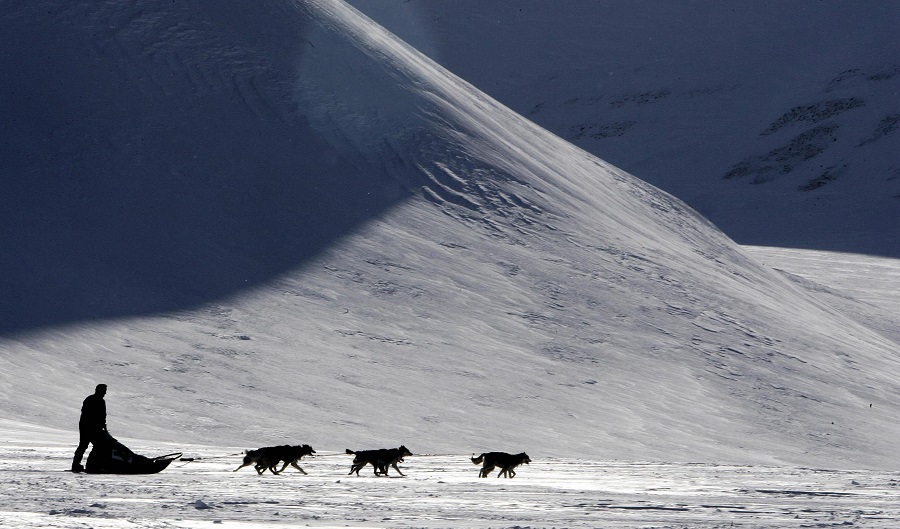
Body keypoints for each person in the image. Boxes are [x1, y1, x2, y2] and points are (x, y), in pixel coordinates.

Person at [71, 383, 107, 472]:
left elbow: (103, 415)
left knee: (99, 445)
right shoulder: (90, 399)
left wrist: (103, 425)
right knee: (84, 445)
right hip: (86, 427)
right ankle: (76, 464)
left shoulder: (102, 401)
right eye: (103, 391)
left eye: (105, 392)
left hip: (96, 428)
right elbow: (86, 413)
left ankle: (93, 463)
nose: (104, 393)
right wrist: (94, 424)